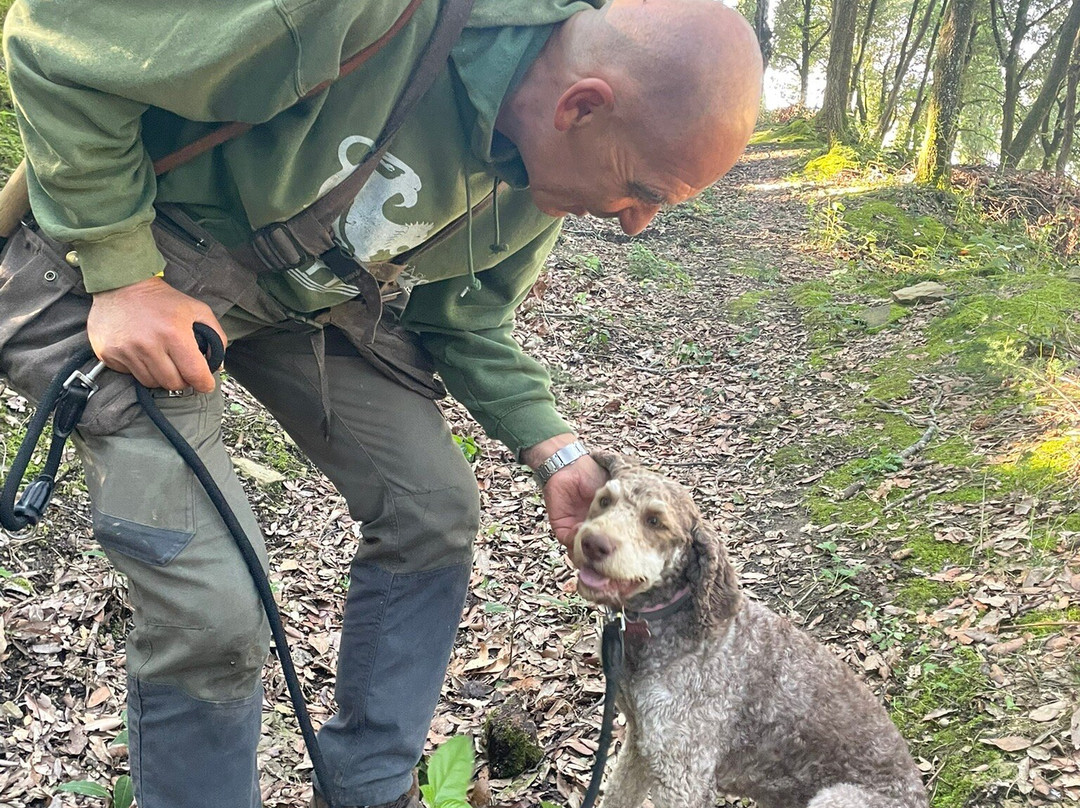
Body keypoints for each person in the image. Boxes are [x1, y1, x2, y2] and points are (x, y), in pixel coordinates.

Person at [0, 0, 762, 806]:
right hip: (144, 276)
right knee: (213, 607)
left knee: (432, 506)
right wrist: (121, 269)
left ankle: (366, 787)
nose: (637, 225)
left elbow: (463, 316)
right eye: (642, 189)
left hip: (298, 307)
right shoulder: (355, 14)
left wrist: (555, 452)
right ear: (580, 107)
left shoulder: (535, 176)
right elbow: (54, 43)